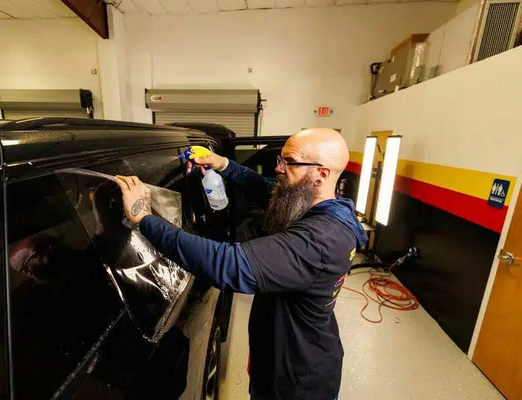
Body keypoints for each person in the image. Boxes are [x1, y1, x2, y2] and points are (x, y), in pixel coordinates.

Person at [114, 128, 367, 400]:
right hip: (282, 357)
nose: (278, 168)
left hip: (297, 382)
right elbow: (264, 188)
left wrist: (144, 219)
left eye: (289, 162)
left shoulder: (321, 239)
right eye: (280, 160)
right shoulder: (318, 204)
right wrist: (221, 163)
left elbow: (228, 264)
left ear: (322, 173)